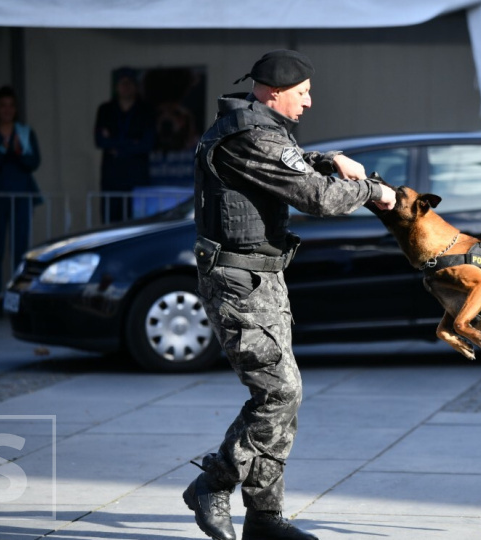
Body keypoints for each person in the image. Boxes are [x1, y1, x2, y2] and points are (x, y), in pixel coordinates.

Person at [184, 50, 396, 540]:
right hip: (238, 283)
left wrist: (330, 158)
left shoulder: (259, 130)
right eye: (302, 93)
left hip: (262, 279)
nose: (309, 102)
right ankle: (213, 482)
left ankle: (264, 518)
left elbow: (295, 165)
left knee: (282, 395)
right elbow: (317, 197)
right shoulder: (247, 134)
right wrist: (371, 191)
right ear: (275, 91)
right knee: (279, 392)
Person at [0, 86, 42, 319]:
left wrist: (17, 151)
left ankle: (19, 296)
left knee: (20, 249)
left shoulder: (24, 132)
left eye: (11, 105)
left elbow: (33, 162)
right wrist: (2, 149)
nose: (7, 110)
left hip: (21, 195)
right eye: (3, 105)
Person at [94, 67, 155, 223]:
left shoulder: (146, 110)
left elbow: (147, 143)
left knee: (137, 223)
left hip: (136, 178)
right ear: (116, 87)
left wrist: (116, 147)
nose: (126, 87)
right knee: (110, 222)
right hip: (111, 179)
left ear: (135, 86)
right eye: (122, 83)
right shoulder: (106, 110)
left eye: (129, 83)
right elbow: (100, 141)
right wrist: (131, 143)